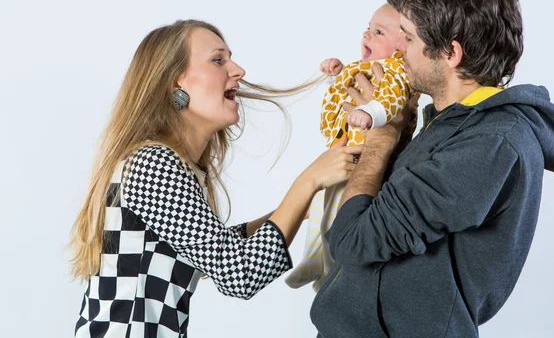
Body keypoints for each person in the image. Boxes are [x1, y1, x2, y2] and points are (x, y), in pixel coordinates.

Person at [310, 0, 554, 337]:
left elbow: (354, 241)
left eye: (409, 38)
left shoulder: (490, 144)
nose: (398, 49)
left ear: (451, 54)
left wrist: (379, 143)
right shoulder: (448, 121)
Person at [69, 19, 363, 337]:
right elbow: (240, 273)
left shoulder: (162, 163)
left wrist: (303, 206)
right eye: (218, 60)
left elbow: (215, 247)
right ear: (175, 83)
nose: (238, 70)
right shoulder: (152, 164)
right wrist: (308, 180)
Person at [286, 4, 415, 290]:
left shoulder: (396, 73)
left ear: (402, 46)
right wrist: (337, 72)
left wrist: (372, 114)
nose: (366, 34)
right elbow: (347, 88)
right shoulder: (365, 69)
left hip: (364, 162)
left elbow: (390, 99)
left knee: (340, 219)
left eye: (378, 32)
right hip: (344, 155)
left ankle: (331, 273)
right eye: (368, 27)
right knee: (321, 208)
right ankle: (313, 260)